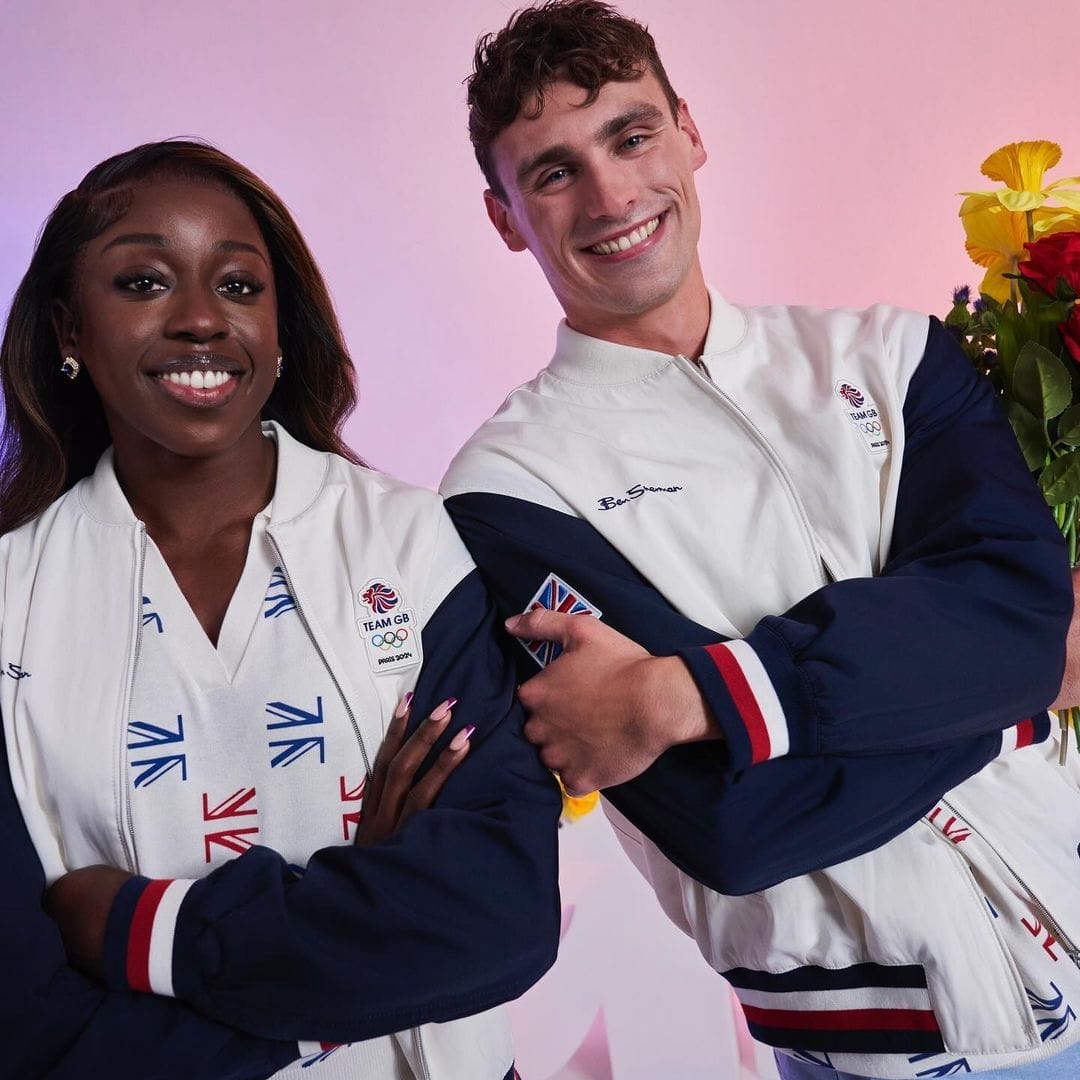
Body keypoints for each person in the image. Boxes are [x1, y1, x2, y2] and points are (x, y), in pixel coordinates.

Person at [440, 2, 1080, 1077]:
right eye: (553, 173)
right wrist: (1017, 696)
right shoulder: (506, 492)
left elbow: (1020, 620)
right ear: (505, 218)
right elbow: (737, 826)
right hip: (881, 1054)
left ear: (690, 132)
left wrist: (681, 696)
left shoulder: (892, 356)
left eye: (632, 136)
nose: (612, 196)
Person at [0, 139, 560, 1080]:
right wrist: (367, 923)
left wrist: (143, 933)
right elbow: (30, 1033)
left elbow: (501, 914)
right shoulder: (11, 601)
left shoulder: (411, 543)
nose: (199, 319)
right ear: (69, 329)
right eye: (142, 283)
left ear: (280, 325)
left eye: (238, 286)